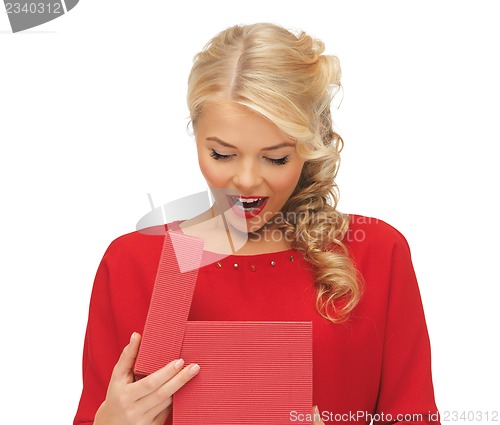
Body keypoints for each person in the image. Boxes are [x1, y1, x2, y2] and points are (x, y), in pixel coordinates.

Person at [73, 23, 440, 425]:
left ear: (311, 144)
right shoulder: (138, 262)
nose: (246, 180)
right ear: (196, 134)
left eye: (276, 157)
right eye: (222, 154)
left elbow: (413, 414)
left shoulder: (375, 253)